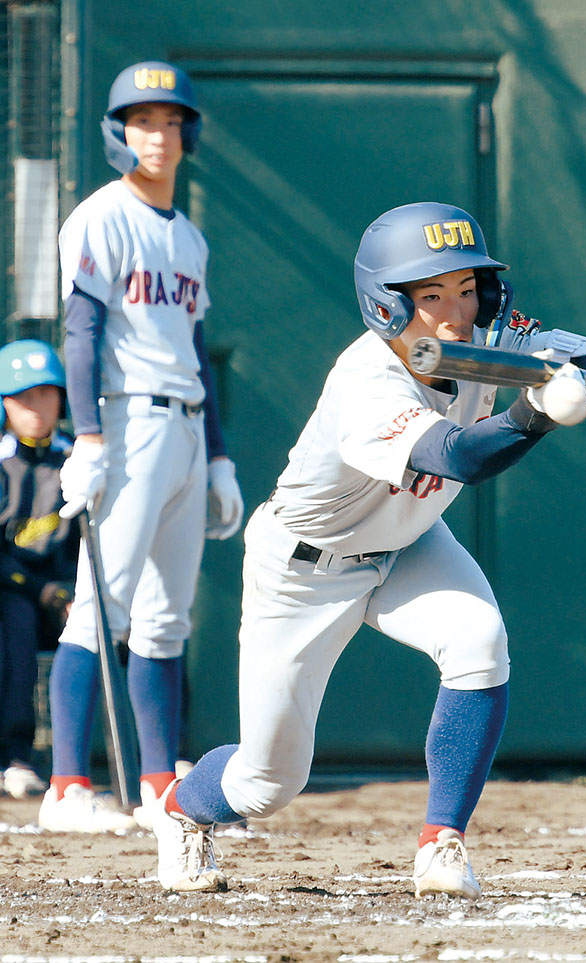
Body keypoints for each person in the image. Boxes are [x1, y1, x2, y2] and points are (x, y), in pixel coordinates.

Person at [150, 201, 586, 896]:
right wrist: (533, 415)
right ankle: (182, 809)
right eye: (431, 294)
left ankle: (442, 844)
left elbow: (549, 345)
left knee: (479, 638)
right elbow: (457, 455)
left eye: (467, 289)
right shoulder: (365, 379)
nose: (455, 311)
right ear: (388, 305)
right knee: (269, 779)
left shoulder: (483, 340)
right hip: (306, 566)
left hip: (407, 540)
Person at [37, 61, 244, 834]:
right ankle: (66, 786)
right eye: (140, 120)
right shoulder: (101, 215)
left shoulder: (188, 237)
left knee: (165, 619)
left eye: (168, 120)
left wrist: (218, 454)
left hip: (185, 426)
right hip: (126, 422)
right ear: (118, 132)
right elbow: (81, 330)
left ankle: (160, 784)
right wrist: (86, 434)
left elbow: (193, 343)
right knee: (99, 608)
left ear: (187, 132)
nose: (155, 135)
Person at [0, 340, 79, 798]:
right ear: (6, 403)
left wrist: (69, 592)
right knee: (17, 615)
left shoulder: (75, 460)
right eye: (24, 396)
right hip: (16, 590)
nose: (36, 407)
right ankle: (16, 757)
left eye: (47, 393)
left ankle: (159, 756)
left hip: (70, 593)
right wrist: (41, 589)